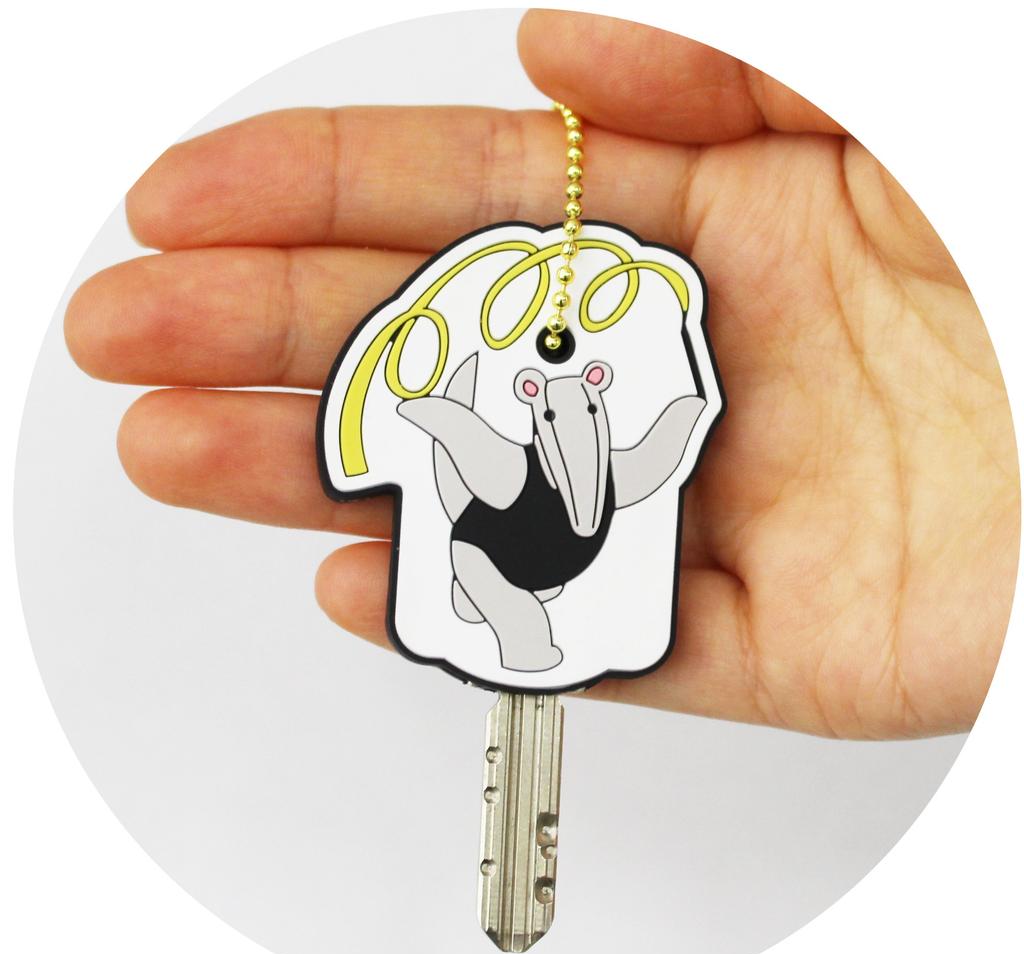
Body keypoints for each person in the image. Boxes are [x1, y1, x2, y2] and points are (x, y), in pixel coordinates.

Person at [63, 10, 1018, 739]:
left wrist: (686, 414)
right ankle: (509, 622)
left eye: (586, 409)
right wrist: (425, 408)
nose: (579, 425)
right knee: (493, 592)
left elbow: (652, 458)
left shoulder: (607, 469)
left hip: (564, 555)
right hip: (489, 557)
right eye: (560, 415)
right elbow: (463, 436)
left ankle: (515, 622)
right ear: (533, 405)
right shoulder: (511, 466)